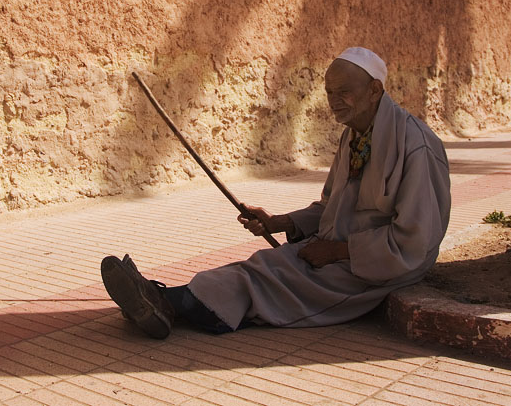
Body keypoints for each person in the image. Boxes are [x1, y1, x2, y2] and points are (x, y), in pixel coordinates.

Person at [100, 47, 451, 338]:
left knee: (267, 281)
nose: (334, 101)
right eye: (329, 92)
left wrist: (338, 251)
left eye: (344, 92)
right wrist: (279, 222)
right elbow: (331, 207)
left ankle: (167, 305)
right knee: (263, 266)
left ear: (375, 90)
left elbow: (415, 243)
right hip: (336, 252)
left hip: (379, 266)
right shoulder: (354, 136)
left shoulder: (415, 145)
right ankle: (162, 301)